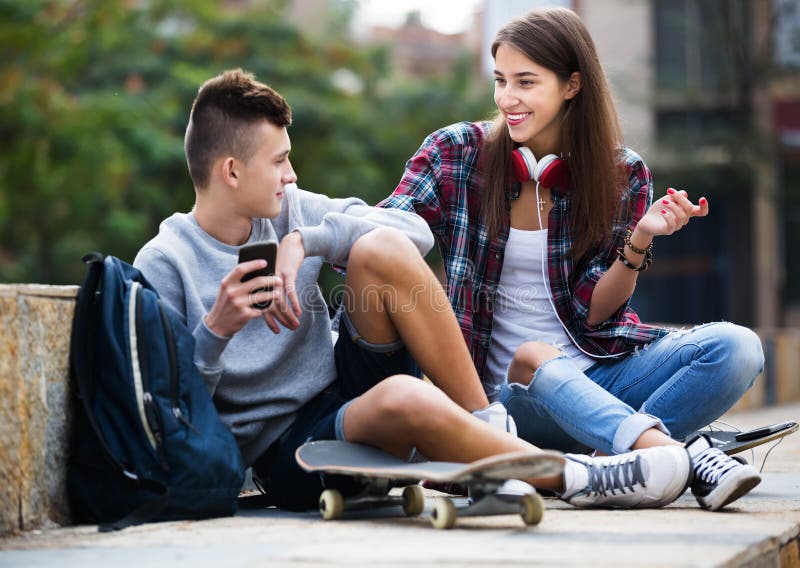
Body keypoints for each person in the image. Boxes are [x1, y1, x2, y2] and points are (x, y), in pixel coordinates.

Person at [134, 68, 696, 513]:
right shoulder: (166, 263)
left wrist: (307, 239)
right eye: (279, 161)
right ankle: (581, 476)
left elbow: (411, 231)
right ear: (231, 171)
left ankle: (484, 420)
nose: (292, 176)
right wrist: (215, 332)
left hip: (343, 386)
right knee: (405, 397)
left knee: (377, 248)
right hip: (284, 450)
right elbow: (171, 416)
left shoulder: (292, 212)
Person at [379, 8, 763, 511]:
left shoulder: (622, 173)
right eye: (500, 81)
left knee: (738, 347)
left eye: (525, 82)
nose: (506, 99)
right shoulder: (456, 153)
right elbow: (384, 231)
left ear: (571, 85)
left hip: (599, 375)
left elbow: (596, 314)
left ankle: (602, 462)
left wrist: (642, 236)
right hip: (506, 400)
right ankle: (677, 457)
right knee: (536, 355)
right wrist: (315, 234)